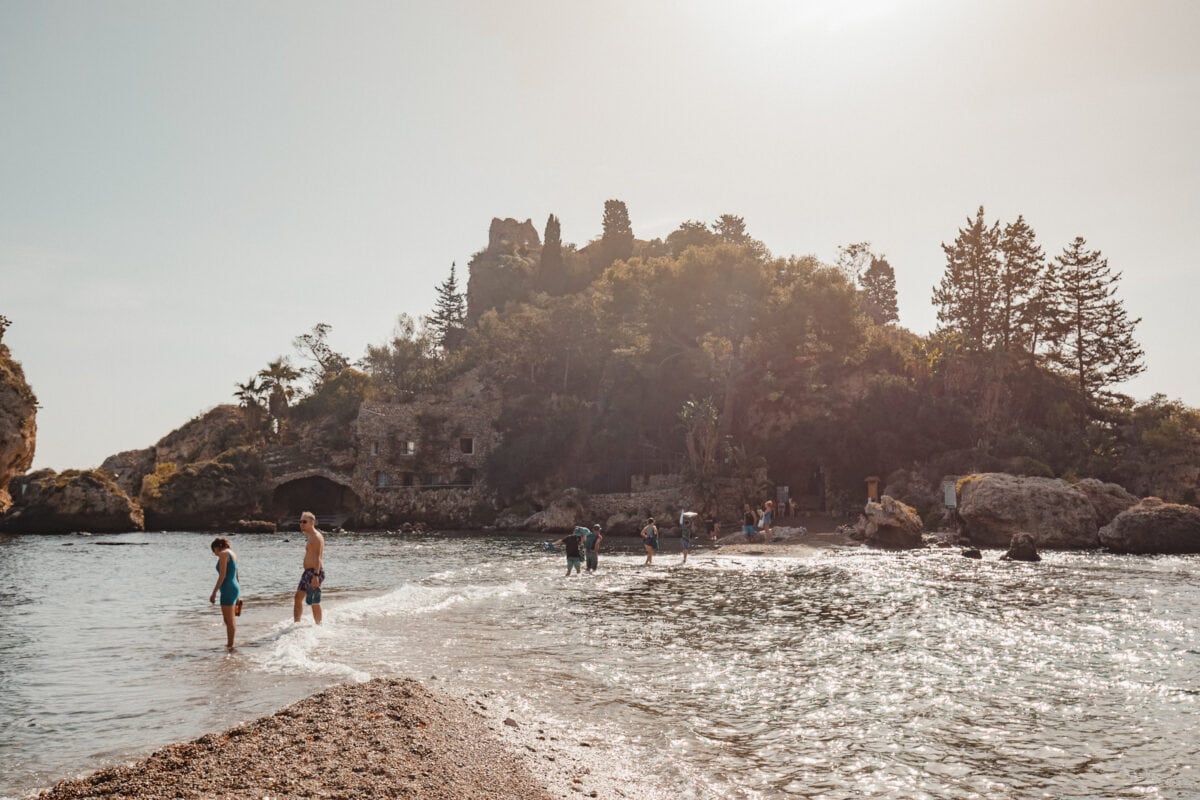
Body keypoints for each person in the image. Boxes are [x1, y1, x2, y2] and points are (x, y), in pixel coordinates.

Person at [294, 511, 325, 624]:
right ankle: (296, 625)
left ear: (312, 522)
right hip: (308, 572)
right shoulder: (310, 536)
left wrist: (316, 576)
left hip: (314, 572)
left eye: (304, 521)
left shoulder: (316, 537)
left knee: (313, 600)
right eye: (300, 521)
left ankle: (319, 625)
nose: (301, 524)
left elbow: (318, 558)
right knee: (298, 598)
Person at [209, 537, 240, 648]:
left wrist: (214, 593)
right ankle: (231, 643)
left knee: (228, 620)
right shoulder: (233, 553)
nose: (215, 554)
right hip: (234, 587)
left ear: (217, 548)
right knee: (230, 619)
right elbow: (237, 575)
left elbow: (222, 576)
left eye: (214, 552)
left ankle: (230, 645)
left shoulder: (223, 554)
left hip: (227, 589)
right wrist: (238, 594)